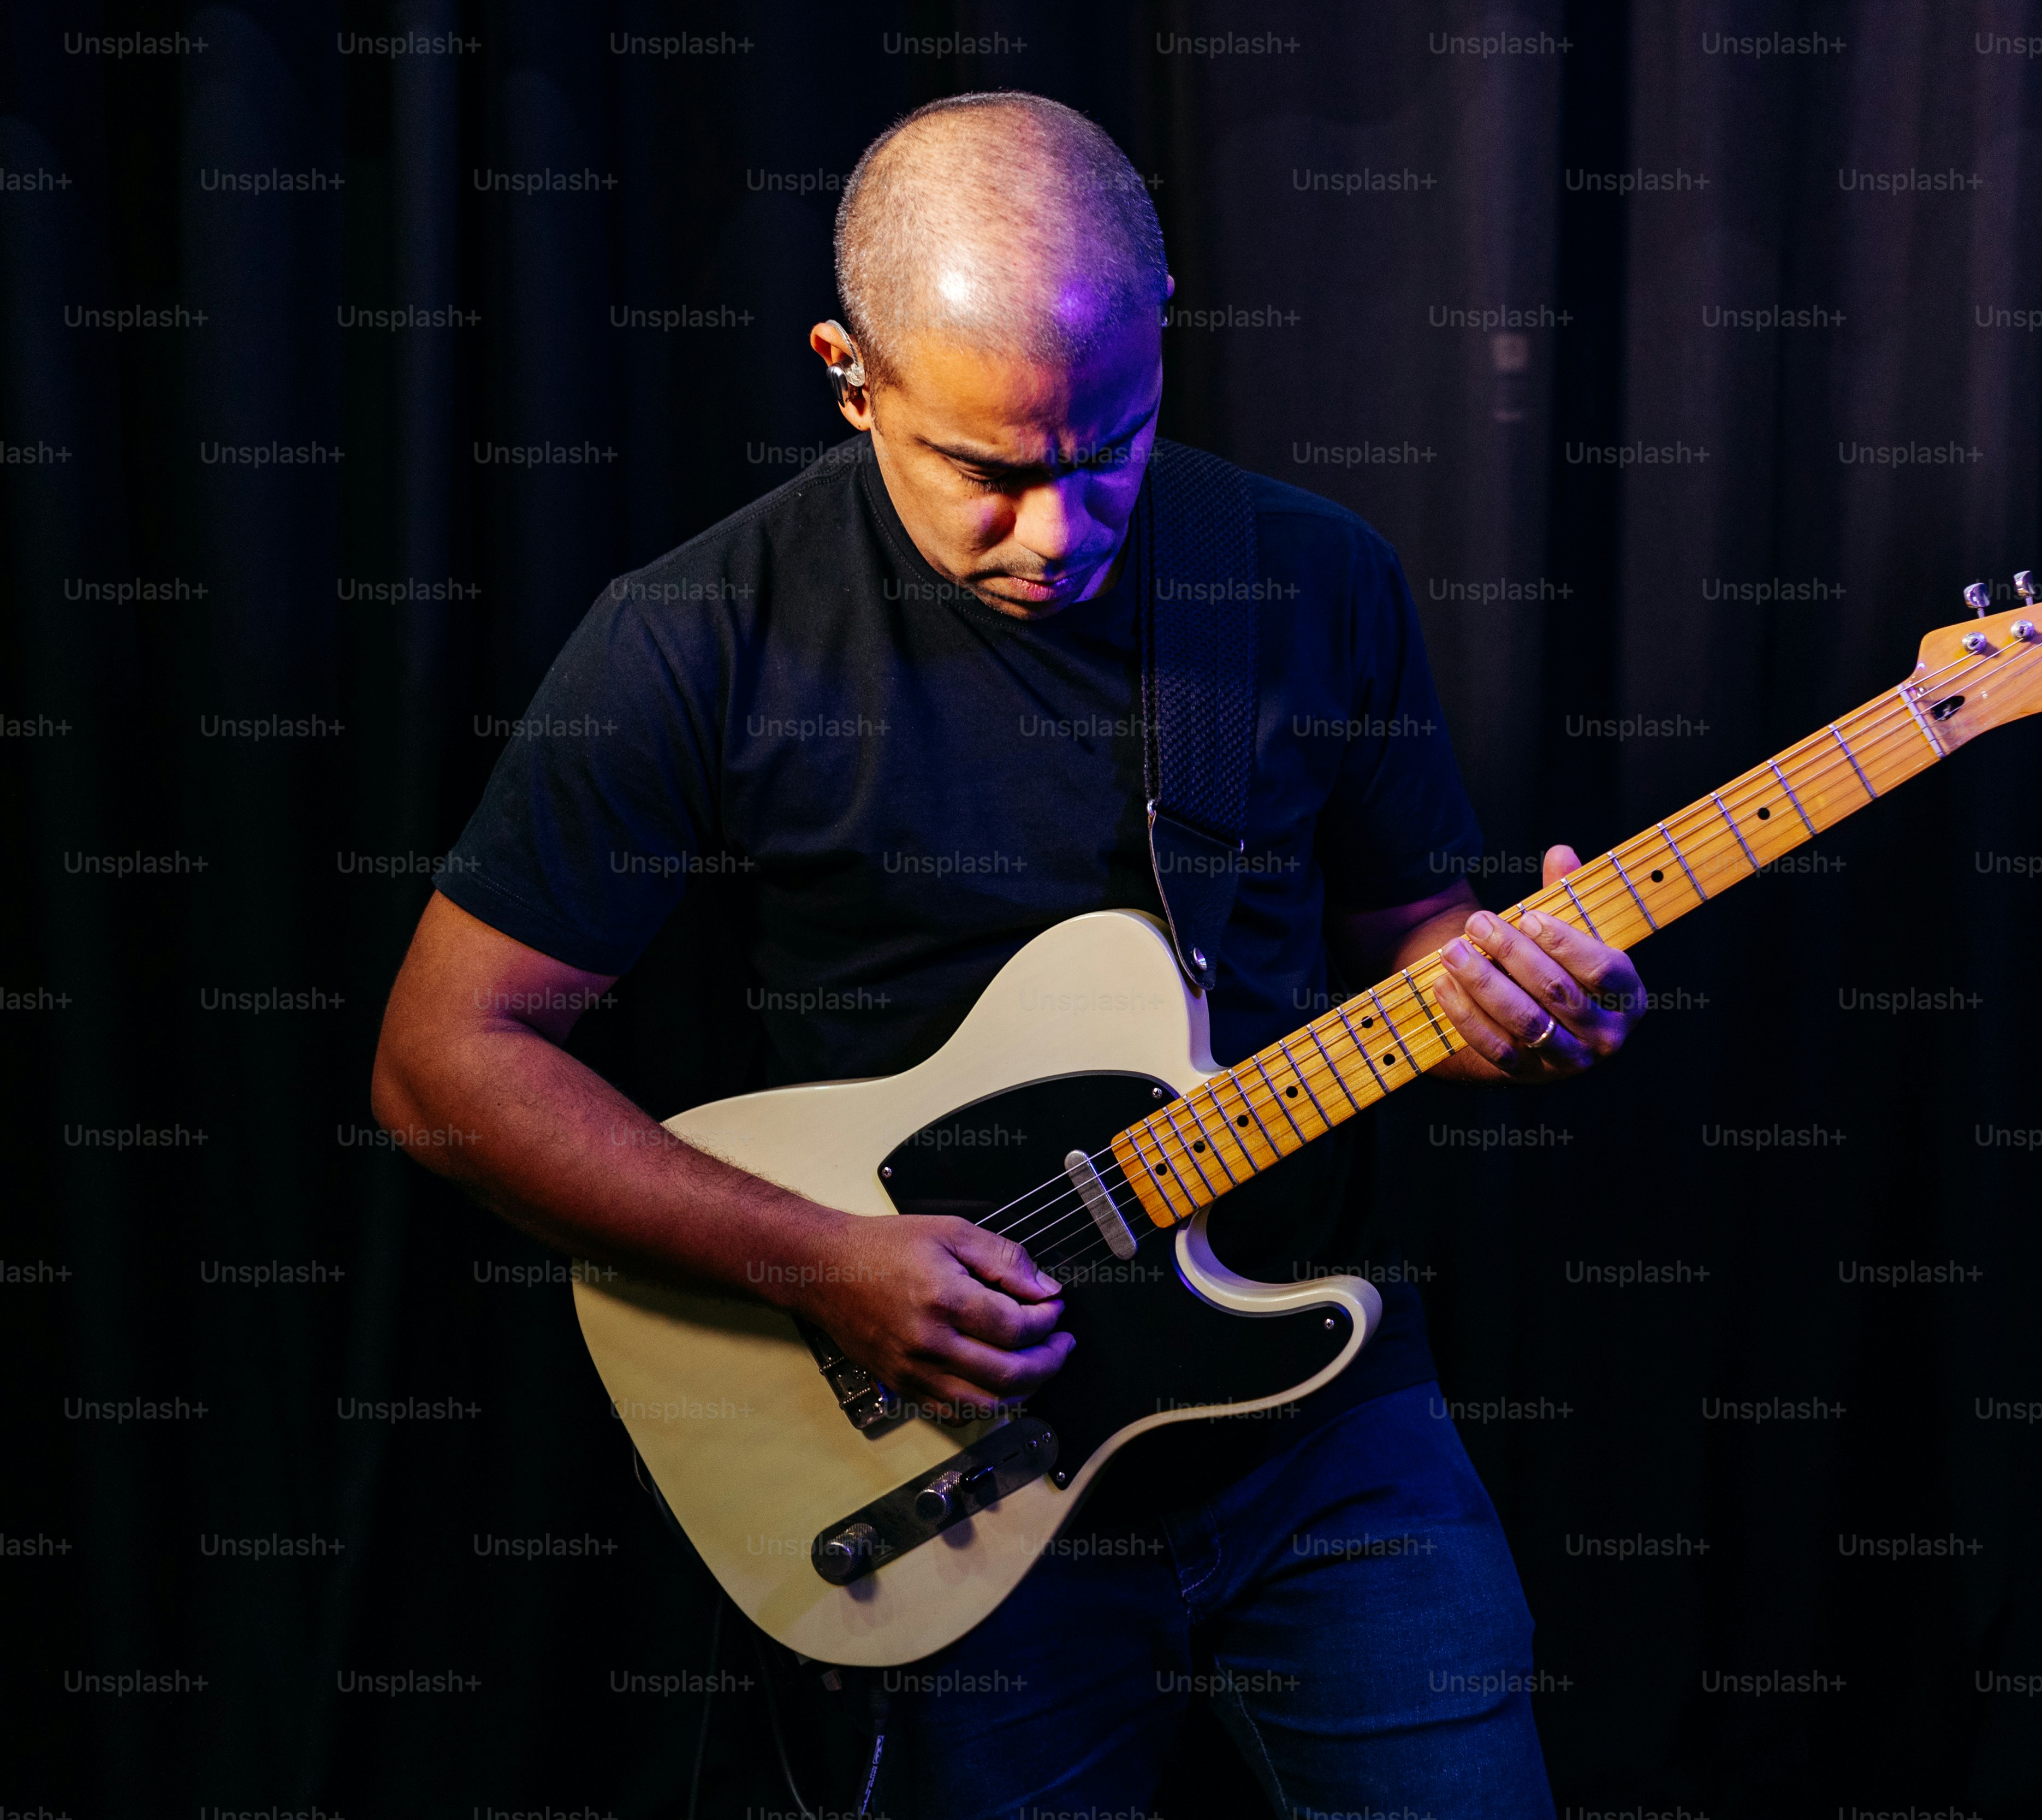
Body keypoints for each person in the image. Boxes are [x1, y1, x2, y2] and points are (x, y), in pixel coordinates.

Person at [371, 90, 1645, 1819]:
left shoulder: (1310, 578)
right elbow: (447, 1060)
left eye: (1109, 445)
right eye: (990, 473)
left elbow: (1411, 943)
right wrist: (819, 1262)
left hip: (1322, 1430)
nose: (1060, 530)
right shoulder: (697, 638)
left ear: (1164, 324)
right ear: (850, 370)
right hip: (962, 1480)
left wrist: (1518, 1001)